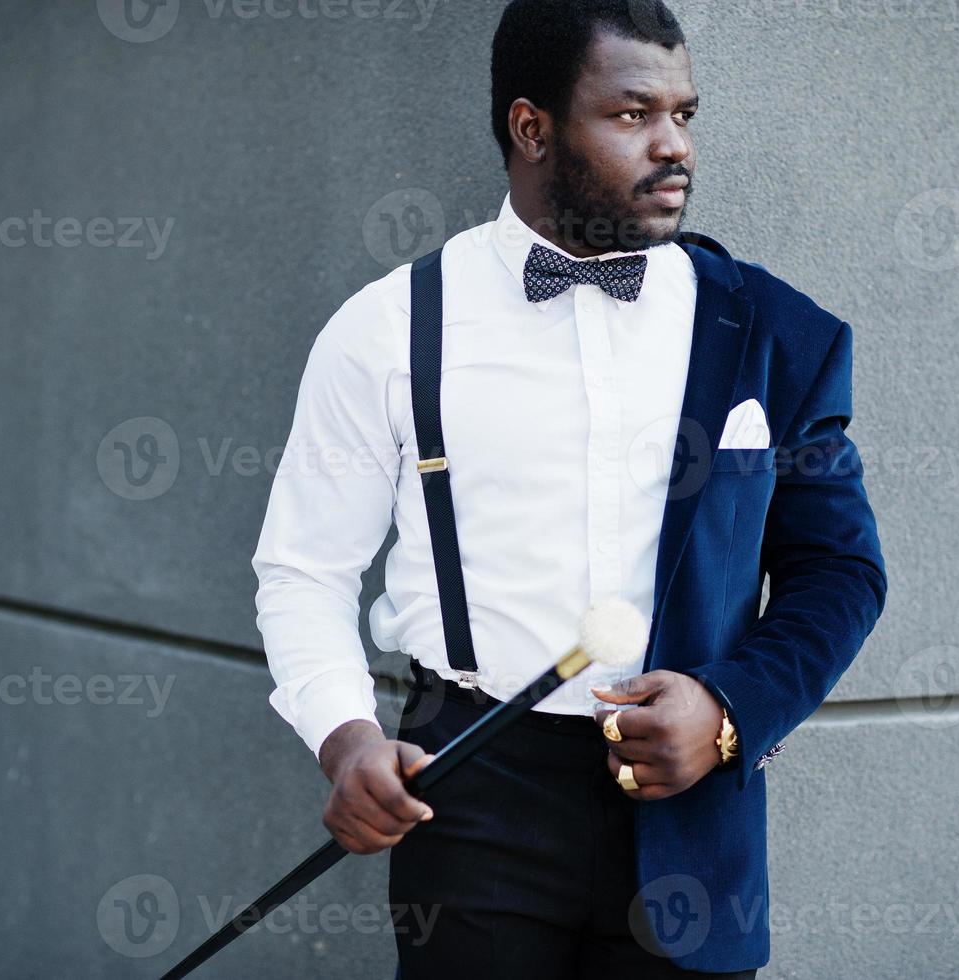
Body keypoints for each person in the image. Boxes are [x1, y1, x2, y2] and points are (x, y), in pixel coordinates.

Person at [250, 1, 887, 976]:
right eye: (633, 115)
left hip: (692, 809)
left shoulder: (776, 332)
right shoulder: (390, 330)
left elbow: (839, 571)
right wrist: (346, 739)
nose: (674, 146)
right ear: (532, 127)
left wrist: (726, 711)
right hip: (471, 790)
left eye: (685, 113)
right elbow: (303, 568)